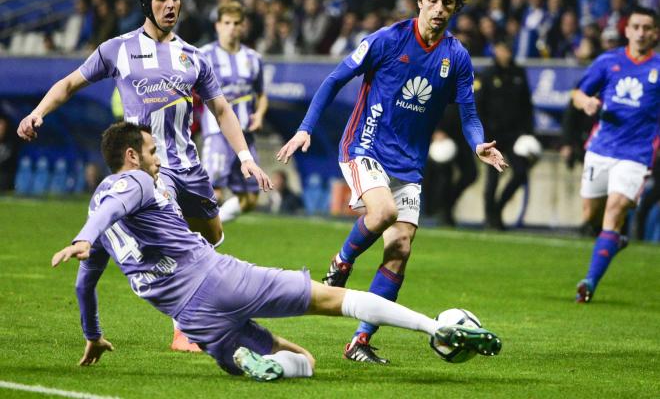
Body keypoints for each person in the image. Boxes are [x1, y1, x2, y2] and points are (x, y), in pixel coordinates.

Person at [51, 122, 502, 381]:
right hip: (219, 280)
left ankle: (254, 363)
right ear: (131, 156)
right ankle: (435, 329)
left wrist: (92, 333)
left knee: (302, 359)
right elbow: (117, 201)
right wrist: (86, 236)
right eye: (150, 151)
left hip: (194, 320)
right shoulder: (133, 182)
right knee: (332, 299)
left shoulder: (104, 217)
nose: (156, 157)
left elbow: (84, 282)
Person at [16, 0, 271, 351]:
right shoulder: (117, 49)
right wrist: (38, 112)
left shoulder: (193, 56)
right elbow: (69, 84)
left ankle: (200, 308)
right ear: (146, 5)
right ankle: (186, 329)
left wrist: (246, 157)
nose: (171, 6)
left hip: (190, 165)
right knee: (179, 244)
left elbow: (222, 109)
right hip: (150, 170)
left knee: (212, 237)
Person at [277, 0, 507, 364]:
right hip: (364, 147)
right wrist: (305, 129)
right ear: (419, 0)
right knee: (382, 212)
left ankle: (360, 342)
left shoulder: (457, 57)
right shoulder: (386, 40)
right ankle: (342, 261)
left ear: (454, 10)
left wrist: (477, 144)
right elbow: (334, 80)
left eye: (447, 3)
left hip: (410, 164)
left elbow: (469, 114)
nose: (438, 9)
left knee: (399, 248)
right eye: (432, 0)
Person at [572, 6, 659, 303]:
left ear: (655, 33)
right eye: (636, 26)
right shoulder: (608, 61)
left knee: (615, 209)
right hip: (600, 149)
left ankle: (589, 283)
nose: (641, 32)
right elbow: (578, 93)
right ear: (627, 30)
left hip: (637, 153)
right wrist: (585, 103)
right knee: (589, 215)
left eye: (648, 27)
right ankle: (615, 240)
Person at [198, 1, 268, 223]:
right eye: (227, 23)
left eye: (236, 23)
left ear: (243, 26)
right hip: (217, 133)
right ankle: (197, 238)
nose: (232, 28)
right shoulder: (203, 55)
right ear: (218, 25)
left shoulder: (254, 59)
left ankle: (207, 233)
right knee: (212, 193)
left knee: (250, 198)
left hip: (246, 135)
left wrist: (259, 114)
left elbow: (262, 94)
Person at [477, 39, 536, 230]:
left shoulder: (518, 73)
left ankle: (497, 209)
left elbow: (527, 105)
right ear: (496, 50)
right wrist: (481, 137)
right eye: (503, 49)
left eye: (509, 50)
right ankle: (490, 218)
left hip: (514, 135)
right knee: (493, 177)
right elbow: (479, 107)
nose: (506, 54)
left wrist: (528, 133)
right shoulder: (487, 75)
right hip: (492, 135)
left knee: (520, 172)